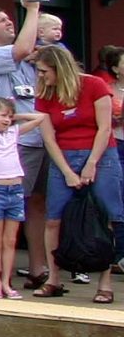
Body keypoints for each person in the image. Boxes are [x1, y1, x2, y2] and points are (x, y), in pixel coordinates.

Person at [35, 41, 117, 300]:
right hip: (64, 156)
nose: (40, 76)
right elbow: (49, 138)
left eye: (44, 71)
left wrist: (91, 163)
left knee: (107, 216)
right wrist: (68, 172)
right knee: (53, 218)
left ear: (59, 69)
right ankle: (54, 278)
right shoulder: (45, 94)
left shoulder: (94, 85)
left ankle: (105, 283)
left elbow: (105, 128)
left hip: (101, 154)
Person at [0, 96, 46, 299]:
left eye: (9, 116)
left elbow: (41, 118)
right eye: (3, 115)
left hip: (15, 189)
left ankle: (6, 281)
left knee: (10, 240)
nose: (6, 120)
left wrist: (16, 116)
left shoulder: (13, 131)